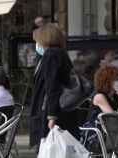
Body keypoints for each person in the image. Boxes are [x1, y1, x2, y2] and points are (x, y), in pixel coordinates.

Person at [29, 23, 80, 153]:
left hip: (52, 111)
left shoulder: (51, 54)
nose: (37, 44)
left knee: (50, 149)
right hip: (59, 110)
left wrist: (52, 116)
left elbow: (52, 86)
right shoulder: (59, 53)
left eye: (38, 41)